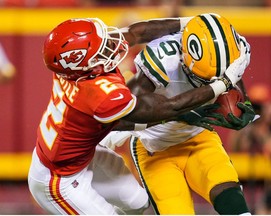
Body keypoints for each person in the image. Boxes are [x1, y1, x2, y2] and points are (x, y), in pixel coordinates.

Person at [28, 16, 248, 215]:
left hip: (84, 154)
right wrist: (223, 83)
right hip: (59, 180)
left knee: (139, 202)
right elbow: (168, 108)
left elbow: (137, 33)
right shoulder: (99, 95)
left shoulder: (74, 70)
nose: (110, 46)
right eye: (101, 49)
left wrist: (190, 23)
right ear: (83, 66)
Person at [110, 13, 255, 215]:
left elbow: (232, 75)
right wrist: (180, 112)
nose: (208, 83)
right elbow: (124, 116)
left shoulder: (233, 47)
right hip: (155, 148)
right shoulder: (162, 61)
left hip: (198, 136)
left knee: (235, 207)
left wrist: (243, 100)